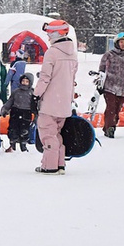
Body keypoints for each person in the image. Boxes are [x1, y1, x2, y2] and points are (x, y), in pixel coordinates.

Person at [35, 19, 78, 174]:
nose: (48, 37)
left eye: (49, 34)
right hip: (64, 102)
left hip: (50, 103)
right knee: (57, 134)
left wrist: (36, 95)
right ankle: (60, 164)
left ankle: (50, 166)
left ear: (57, 33)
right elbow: (73, 77)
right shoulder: (73, 54)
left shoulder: (52, 52)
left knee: (47, 134)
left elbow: (45, 77)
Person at [97, 31, 124, 139]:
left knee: (117, 110)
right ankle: (109, 129)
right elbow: (101, 70)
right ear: (116, 43)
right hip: (109, 86)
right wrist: (100, 83)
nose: (123, 44)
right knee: (111, 108)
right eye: (121, 42)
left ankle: (109, 126)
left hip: (122, 88)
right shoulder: (108, 55)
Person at [1, 72, 36, 152]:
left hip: (26, 113)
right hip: (15, 112)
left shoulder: (32, 93)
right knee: (13, 128)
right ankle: (12, 144)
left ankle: (23, 145)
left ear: (30, 83)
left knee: (24, 130)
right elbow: (10, 102)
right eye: (23, 81)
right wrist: (5, 109)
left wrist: (36, 114)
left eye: (27, 82)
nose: (24, 83)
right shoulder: (16, 92)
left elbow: (35, 105)